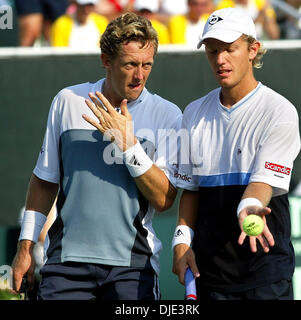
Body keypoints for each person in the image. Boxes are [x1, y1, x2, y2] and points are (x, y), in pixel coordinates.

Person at [12, 12, 182, 300]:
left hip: (133, 270)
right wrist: (25, 247)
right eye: (130, 64)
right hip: (65, 265)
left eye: (147, 65)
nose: (139, 75)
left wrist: (129, 146)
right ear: (106, 60)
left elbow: (164, 199)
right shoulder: (67, 101)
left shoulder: (167, 115)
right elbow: (44, 181)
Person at [172, 7, 300, 300]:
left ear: (253, 49)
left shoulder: (280, 111)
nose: (220, 60)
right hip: (211, 277)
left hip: (267, 274)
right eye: (213, 51)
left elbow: (263, 183)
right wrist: (181, 243)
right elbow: (191, 191)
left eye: (230, 49)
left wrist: (250, 206)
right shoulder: (193, 113)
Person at [215, 0, 280, 39]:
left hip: (259, 41)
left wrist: (265, 17)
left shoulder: (259, 2)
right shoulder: (225, 4)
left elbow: (274, 34)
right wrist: (259, 18)